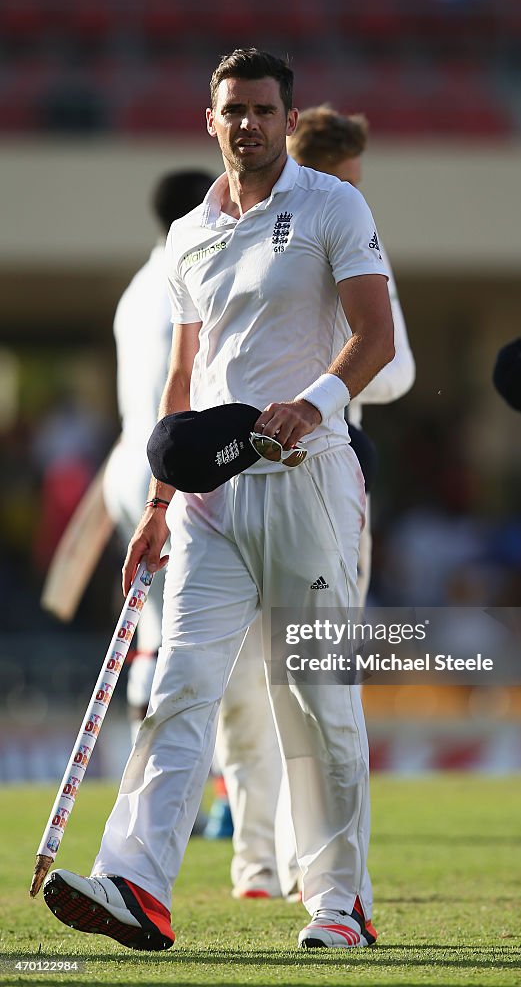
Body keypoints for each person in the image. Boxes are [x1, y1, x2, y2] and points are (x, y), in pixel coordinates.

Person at [42, 47, 394, 950]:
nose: (248, 124)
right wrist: (159, 502)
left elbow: (377, 338)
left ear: (288, 116)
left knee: (317, 701)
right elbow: (182, 379)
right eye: (232, 109)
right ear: (211, 121)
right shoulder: (190, 233)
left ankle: (338, 902)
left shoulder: (331, 203)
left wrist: (307, 408)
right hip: (209, 501)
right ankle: (137, 885)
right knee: (178, 686)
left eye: (264, 109)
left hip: (309, 482)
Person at [214, 105, 415, 901]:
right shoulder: (332, 223)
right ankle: (303, 866)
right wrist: (327, 386)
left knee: (258, 681)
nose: (356, 192)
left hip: (257, 473)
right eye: (352, 178)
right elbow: (392, 370)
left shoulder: (266, 223)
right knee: (307, 677)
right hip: (319, 471)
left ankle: (261, 862)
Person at [102, 169, 214, 744]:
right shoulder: (187, 275)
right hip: (163, 468)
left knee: (154, 627)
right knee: (188, 629)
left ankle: (141, 775)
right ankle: (186, 788)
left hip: (124, 465)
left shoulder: (134, 288)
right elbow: (175, 392)